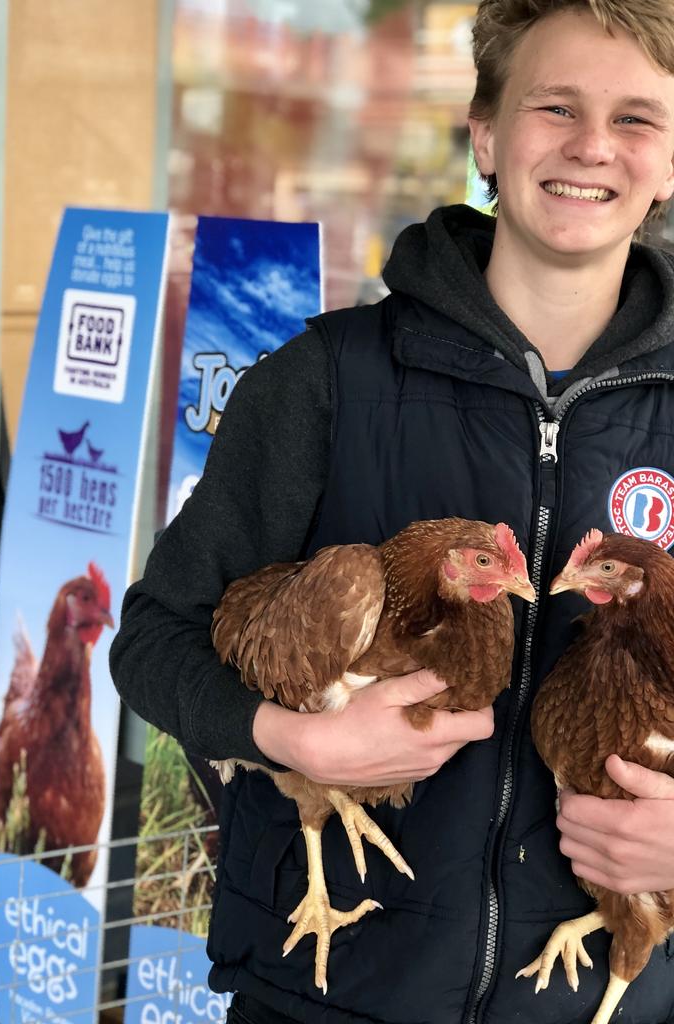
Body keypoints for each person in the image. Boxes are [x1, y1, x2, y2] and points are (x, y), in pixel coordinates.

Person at [110, 1, 674, 1021]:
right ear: (487, 136)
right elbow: (151, 639)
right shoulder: (324, 382)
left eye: (638, 118)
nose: (593, 145)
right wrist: (294, 739)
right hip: (328, 993)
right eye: (556, 106)